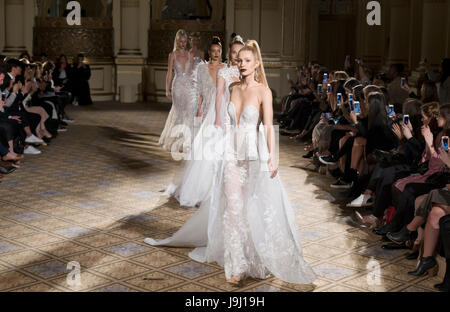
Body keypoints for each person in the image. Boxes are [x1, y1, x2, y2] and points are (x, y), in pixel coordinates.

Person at [146, 40, 316, 287]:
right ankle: (236, 265)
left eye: (247, 61)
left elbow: (268, 127)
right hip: (229, 156)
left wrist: (272, 157)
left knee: (252, 210)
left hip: (252, 158)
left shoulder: (263, 92)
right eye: (239, 61)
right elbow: (224, 119)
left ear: (257, 64)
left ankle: (253, 254)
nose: (242, 64)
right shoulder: (234, 88)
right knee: (233, 210)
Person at [165, 36, 226, 207]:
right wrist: (198, 113)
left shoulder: (225, 69)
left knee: (218, 148)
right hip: (206, 110)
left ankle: (215, 187)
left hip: (220, 112)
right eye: (213, 51)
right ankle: (200, 188)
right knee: (204, 149)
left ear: (221, 52)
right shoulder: (202, 68)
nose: (215, 54)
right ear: (209, 52)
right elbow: (199, 92)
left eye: (218, 51)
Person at [158, 29, 195, 152]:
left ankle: (186, 141)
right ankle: (175, 140)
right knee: (179, 113)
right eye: (180, 41)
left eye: (184, 41)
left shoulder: (190, 55)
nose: (182, 44)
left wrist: (196, 88)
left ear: (186, 42)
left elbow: (192, 73)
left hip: (189, 86)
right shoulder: (172, 55)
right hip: (177, 86)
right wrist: (166, 89)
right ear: (177, 41)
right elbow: (169, 73)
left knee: (189, 112)